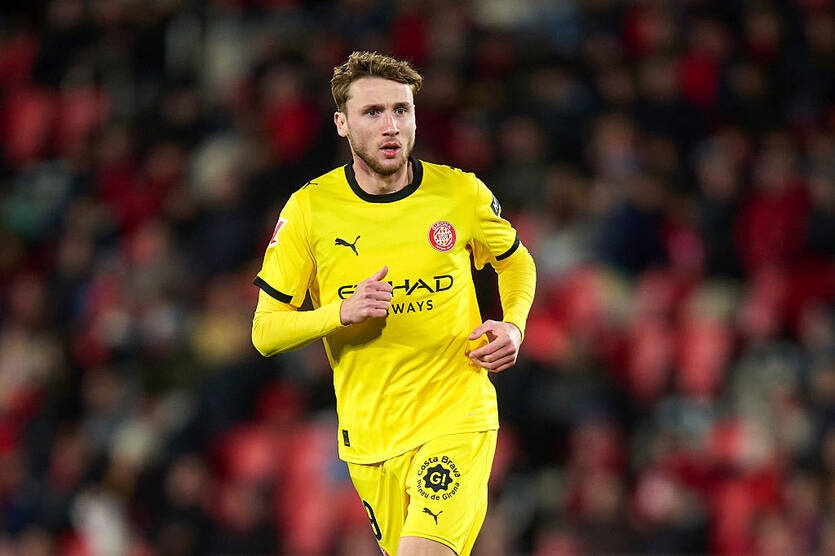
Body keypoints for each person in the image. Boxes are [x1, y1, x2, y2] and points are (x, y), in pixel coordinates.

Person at [251, 51, 536, 556]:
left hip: (456, 415)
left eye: (401, 110)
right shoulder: (310, 210)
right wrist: (340, 313)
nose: (391, 126)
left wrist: (514, 325)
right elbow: (265, 332)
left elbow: (516, 262)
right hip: (369, 440)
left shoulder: (459, 193)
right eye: (373, 112)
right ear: (342, 123)